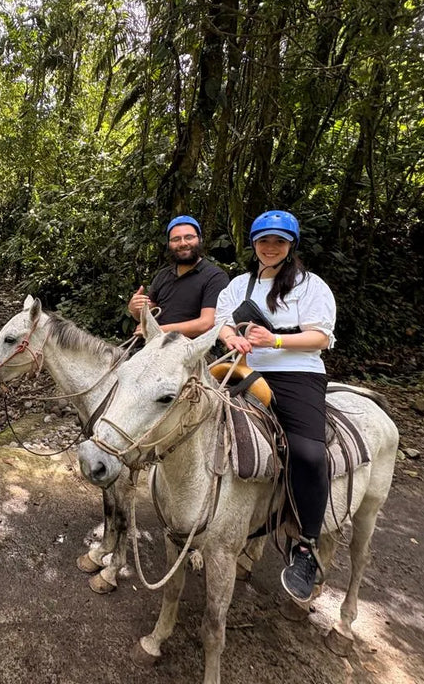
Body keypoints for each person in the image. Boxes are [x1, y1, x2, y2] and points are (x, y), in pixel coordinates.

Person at [213, 210, 337, 602]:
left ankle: (306, 547)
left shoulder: (310, 286)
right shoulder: (237, 285)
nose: (270, 248)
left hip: (295, 373)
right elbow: (221, 321)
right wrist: (231, 336)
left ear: (290, 246)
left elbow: (320, 337)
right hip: (243, 366)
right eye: (264, 241)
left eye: (278, 242)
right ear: (254, 244)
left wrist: (276, 341)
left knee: (308, 452)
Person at [128, 215, 229, 346]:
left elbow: (207, 324)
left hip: (191, 349)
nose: (183, 243)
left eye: (189, 237)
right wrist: (134, 309)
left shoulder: (215, 276)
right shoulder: (163, 275)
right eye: (176, 239)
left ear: (200, 239)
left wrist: (158, 331)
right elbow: (147, 319)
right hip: (155, 346)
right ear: (169, 244)